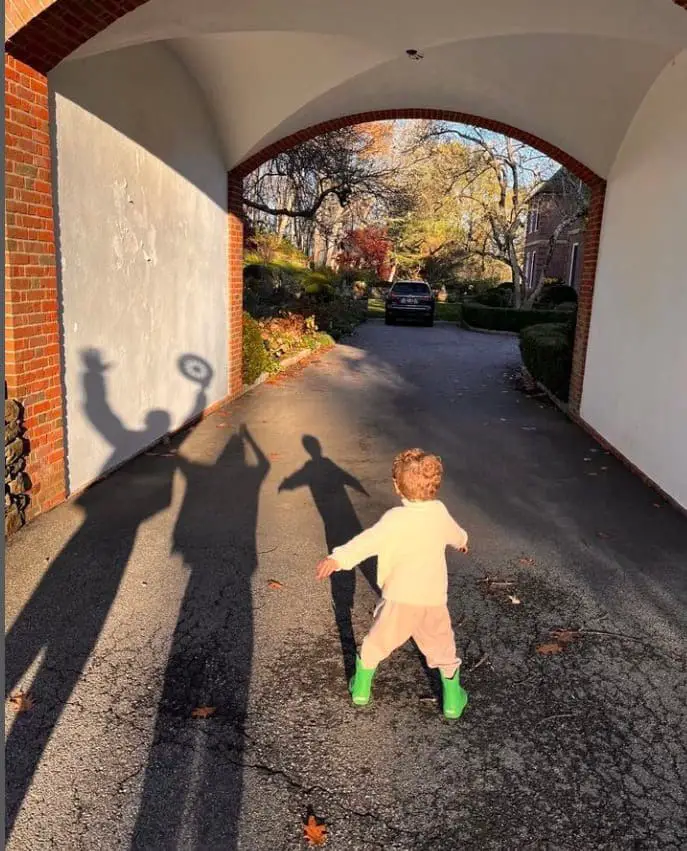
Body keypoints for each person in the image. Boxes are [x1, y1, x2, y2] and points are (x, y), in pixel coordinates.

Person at [315, 448, 470, 719]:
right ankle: (453, 701)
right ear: (435, 486)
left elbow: (367, 542)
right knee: (442, 646)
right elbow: (456, 534)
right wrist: (463, 542)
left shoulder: (394, 520)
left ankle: (361, 688)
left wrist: (338, 559)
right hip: (432, 599)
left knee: (378, 641)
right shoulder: (439, 512)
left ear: (397, 486)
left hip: (399, 598)